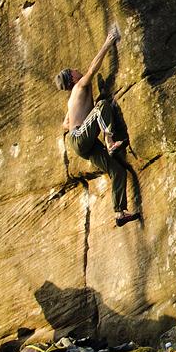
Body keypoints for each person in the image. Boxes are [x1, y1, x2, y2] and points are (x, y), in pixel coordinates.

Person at [58, 23, 142, 227]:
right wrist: (108, 41)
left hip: (81, 144)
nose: (77, 70)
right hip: (79, 138)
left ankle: (120, 212)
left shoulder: (72, 99)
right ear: (72, 78)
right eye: (73, 71)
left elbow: (64, 124)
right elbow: (93, 68)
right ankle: (109, 139)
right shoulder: (79, 86)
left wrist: (77, 120)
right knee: (102, 106)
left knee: (117, 171)